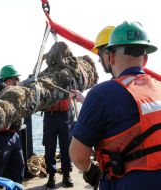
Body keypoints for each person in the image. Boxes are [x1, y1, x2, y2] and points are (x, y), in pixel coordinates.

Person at [69, 21, 161, 190]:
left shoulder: (100, 94)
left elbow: (78, 155)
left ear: (110, 56)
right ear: (145, 59)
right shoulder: (159, 87)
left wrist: (91, 171)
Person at [43, 97, 75, 188]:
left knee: (66, 147)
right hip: (49, 115)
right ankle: (51, 176)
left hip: (65, 115)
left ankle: (66, 175)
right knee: (49, 146)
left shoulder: (69, 82)